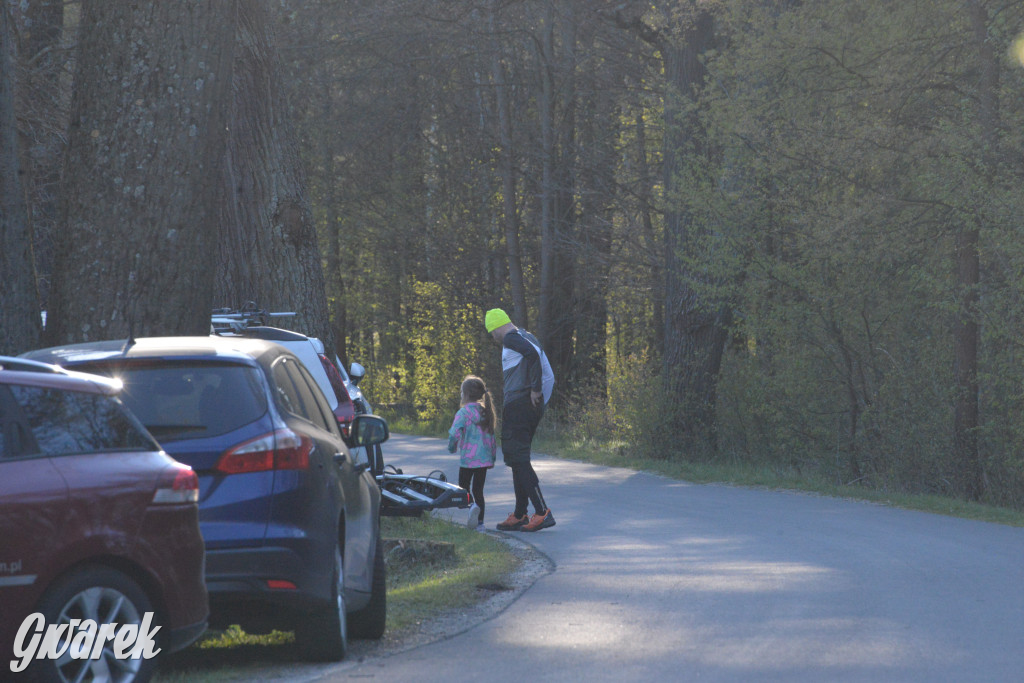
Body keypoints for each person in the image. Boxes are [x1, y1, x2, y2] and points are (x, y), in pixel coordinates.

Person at [485, 308, 556, 532]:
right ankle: (519, 514)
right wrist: (539, 397)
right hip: (528, 404)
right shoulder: (526, 335)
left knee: (519, 458)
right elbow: (544, 367)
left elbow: (532, 357)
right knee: (517, 458)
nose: (493, 339)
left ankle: (542, 511)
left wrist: (535, 390)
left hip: (520, 403)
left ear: (496, 327)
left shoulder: (511, 338)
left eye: (491, 333)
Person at [448, 375, 497, 530]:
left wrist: (452, 447)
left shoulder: (463, 413)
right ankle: (480, 524)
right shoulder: (486, 412)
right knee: (478, 491)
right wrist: (492, 458)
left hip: (468, 460)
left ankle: (471, 507)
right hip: (483, 460)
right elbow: (492, 439)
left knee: (463, 488)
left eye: (462, 393)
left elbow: (454, 433)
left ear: (467, 395)